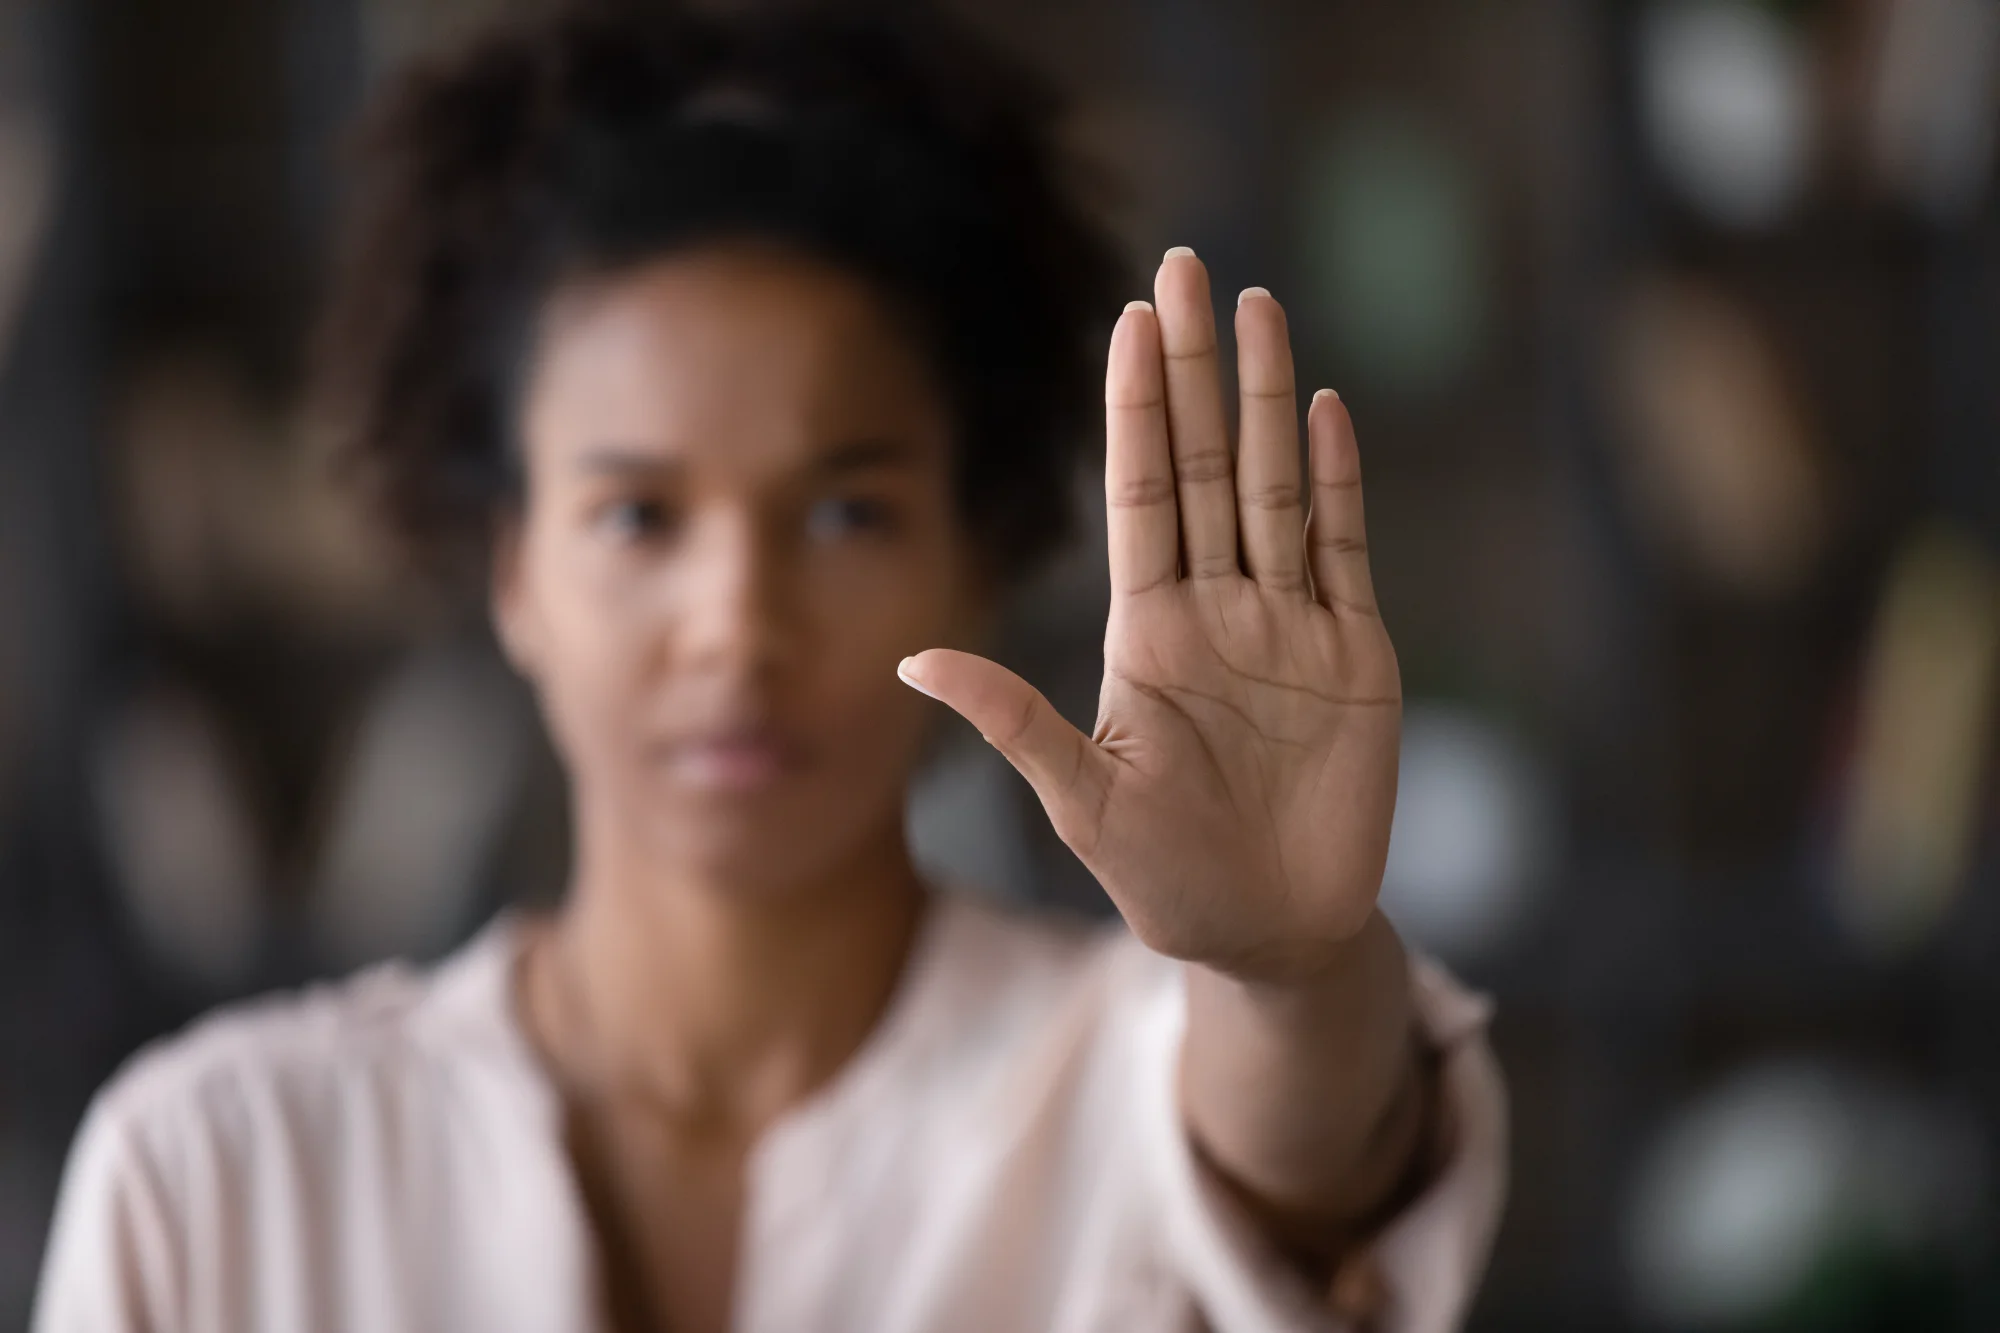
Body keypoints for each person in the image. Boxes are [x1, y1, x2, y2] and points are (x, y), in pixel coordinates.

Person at [32, 4, 1505, 1330]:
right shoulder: (217, 1171)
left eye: (846, 510)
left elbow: (1303, 1173)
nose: (737, 620)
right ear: (512, 571)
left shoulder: (1132, 1076)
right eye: (636, 517)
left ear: (977, 556)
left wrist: (1290, 971)